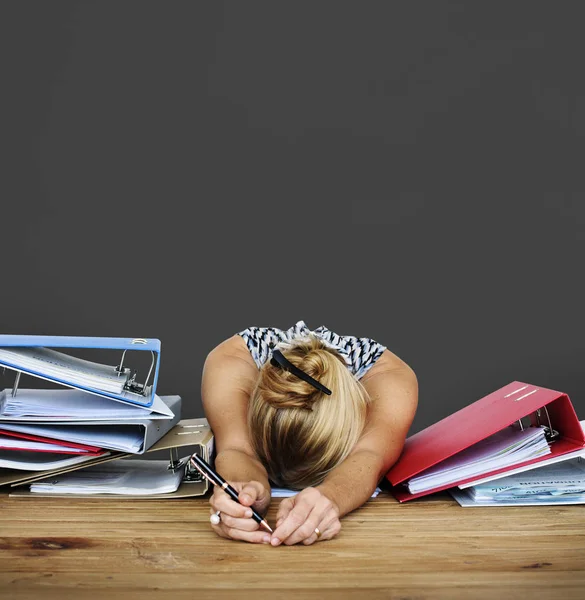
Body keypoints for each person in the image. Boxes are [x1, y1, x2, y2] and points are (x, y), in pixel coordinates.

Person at [201, 320, 418, 546]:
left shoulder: (393, 379)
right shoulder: (228, 362)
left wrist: (331, 497)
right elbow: (237, 448)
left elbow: (369, 457)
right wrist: (243, 489)